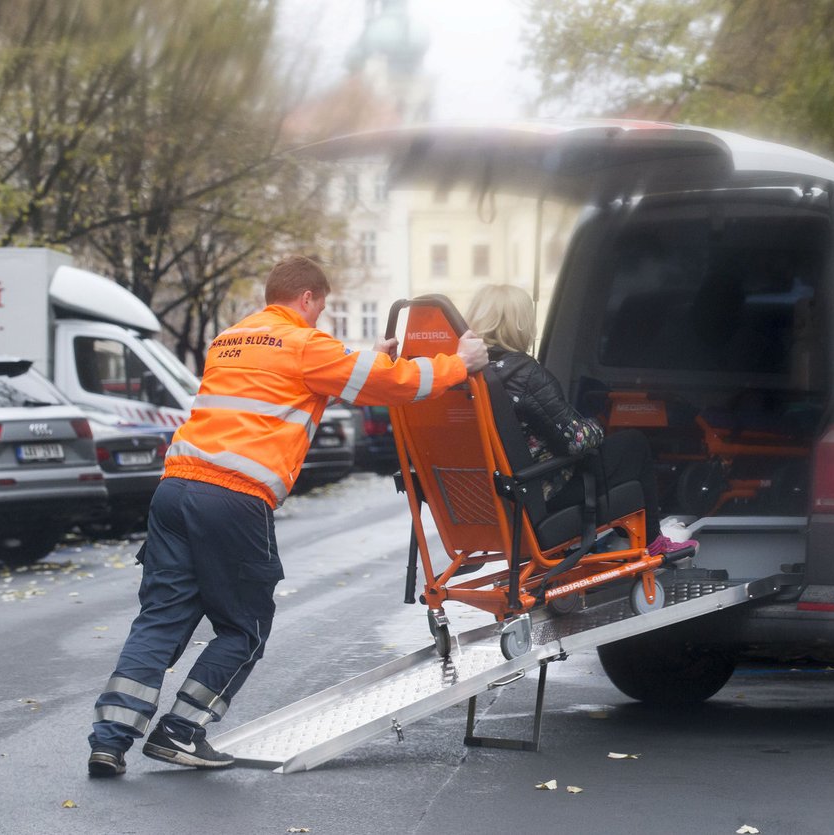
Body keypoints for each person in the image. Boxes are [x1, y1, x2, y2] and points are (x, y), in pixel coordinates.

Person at [86, 255, 488, 777]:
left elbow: (305, 381)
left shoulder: (229, 339)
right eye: (319, 309)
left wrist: (368, 358)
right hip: (233, 498)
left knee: (161, 618)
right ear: (307, 299)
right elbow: (395, 385)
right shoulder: (304, 342)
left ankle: (109, 741)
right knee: (244, 625)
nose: (318, 319)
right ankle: (180, 731)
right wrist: (462, 361)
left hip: (174, 489)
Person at [464, 283, 697, 557]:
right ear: (520, 326)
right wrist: (597, 426)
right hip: (541, 495)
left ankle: (633, 536)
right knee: (633, 444)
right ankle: (652, 540)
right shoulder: (525, 374)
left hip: (485, 500)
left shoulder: (460, 377)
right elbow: (574, 441)